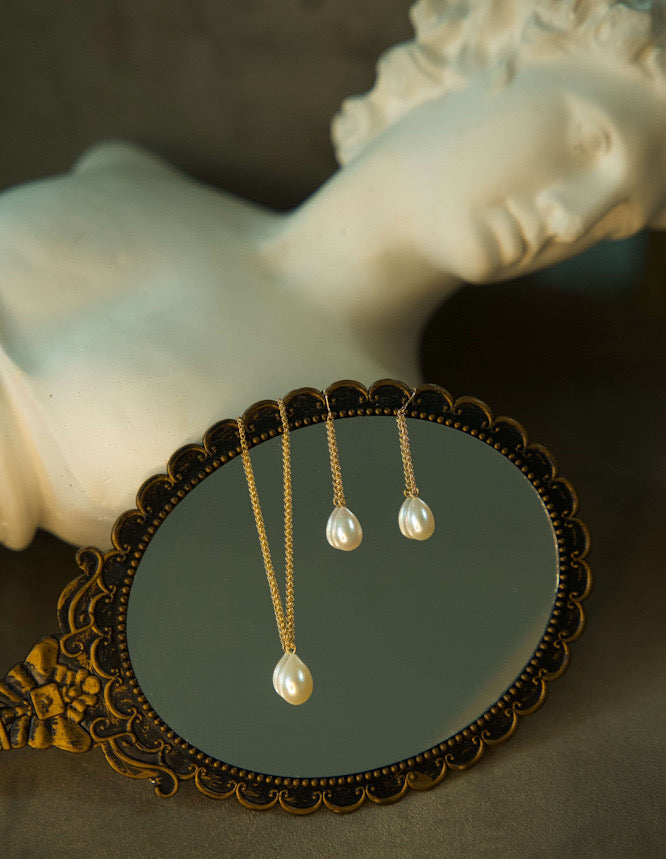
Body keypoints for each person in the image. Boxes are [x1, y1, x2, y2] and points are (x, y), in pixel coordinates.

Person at [1, 0, 665, 549]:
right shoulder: (129, 173)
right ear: (505, 60)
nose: (576, 218)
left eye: (619, 218)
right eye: (589, 141)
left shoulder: (380, 446)